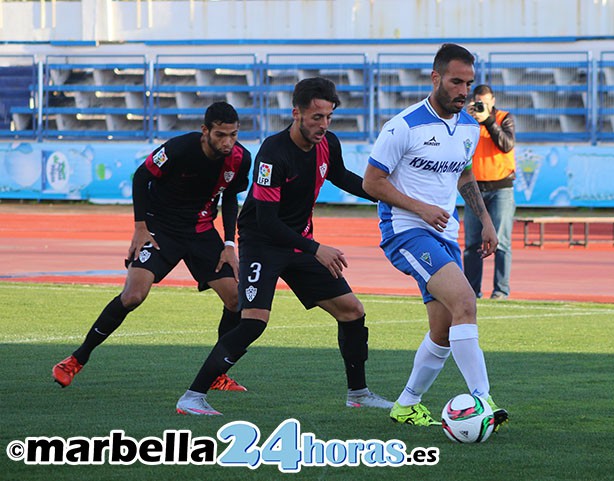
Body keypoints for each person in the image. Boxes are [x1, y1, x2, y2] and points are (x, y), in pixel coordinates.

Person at [176, 77, 393, 416]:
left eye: (328, 117)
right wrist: (315, 248)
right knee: (254, 322)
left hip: (300, 244)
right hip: (263, 244)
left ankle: (359, 393)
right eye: (316, 117)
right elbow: (267, 222)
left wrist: (387, 195)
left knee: (352, 311)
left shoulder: (327, 144)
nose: (323, 125)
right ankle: (192, 396)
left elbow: (344, 178)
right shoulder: (273, 154)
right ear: (296, 113)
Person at [52, 101, 252, 393]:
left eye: (233, 135)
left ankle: (217, 373)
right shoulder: (179, 149)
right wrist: (140, 227)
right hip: (161, 229)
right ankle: (76, 359)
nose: (228, 142)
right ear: (204, 131)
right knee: (133, 296)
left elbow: (231, 197)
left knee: (235, 300)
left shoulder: (239, 158)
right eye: (221, 135)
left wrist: (229, 243)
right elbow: (142, 176)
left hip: (200, 230)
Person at [362, 43, 509, 429]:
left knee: (443, 330)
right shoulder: (403, 126)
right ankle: (483, 401)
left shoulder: (468, 127)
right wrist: (420, 208)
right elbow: (371, 182)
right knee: (466, 301)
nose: (464, 91)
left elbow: (463, 174)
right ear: (435, 77)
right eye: (456, 81)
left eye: (469, 83)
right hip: (406, 231)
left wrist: (486, 221)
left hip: (445, 233)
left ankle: (407, 403)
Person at [463, 84, 516, 300]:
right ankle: (471, 290)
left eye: (485, 102)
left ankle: (501, 291)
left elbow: (506, 144)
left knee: (501, 242)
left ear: (493, 101)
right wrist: (466, 121)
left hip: (501, 187)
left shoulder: (503, 118)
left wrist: (488, 120)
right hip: (474, 189)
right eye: (478, 103)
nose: (481, 106)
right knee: (472, 243)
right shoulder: (468, 121)